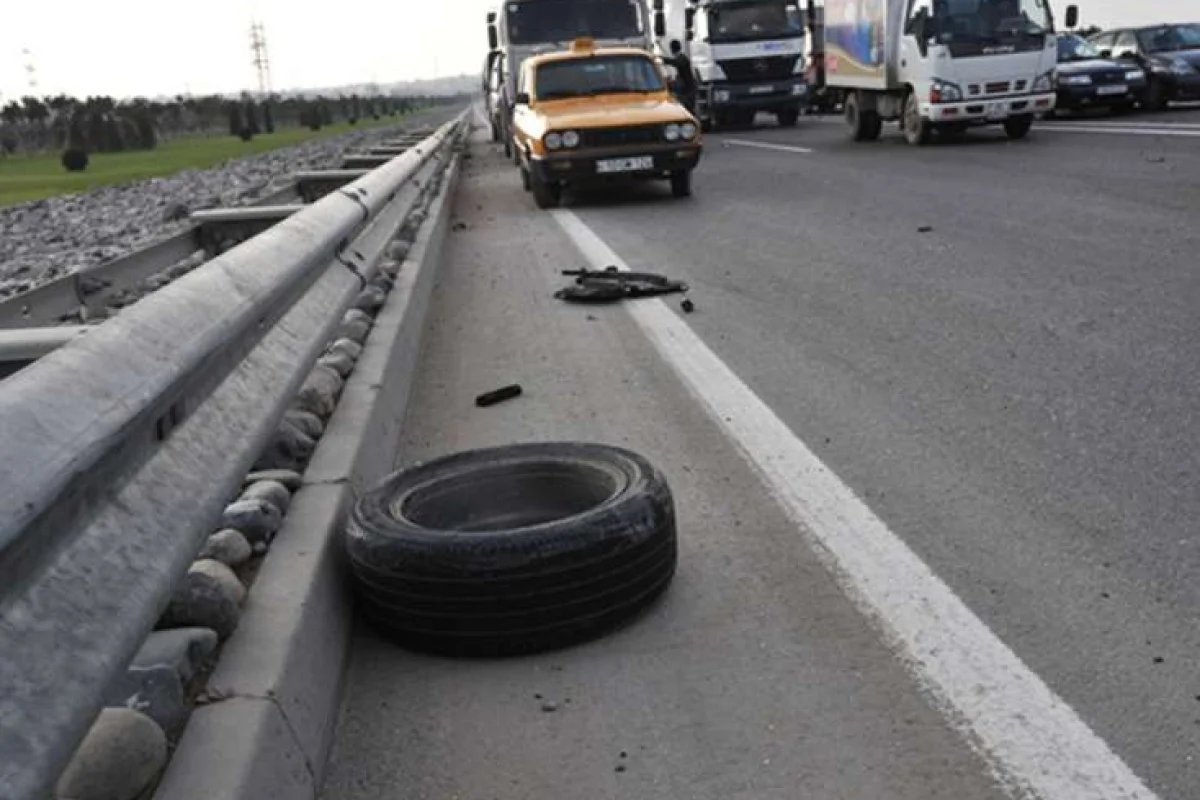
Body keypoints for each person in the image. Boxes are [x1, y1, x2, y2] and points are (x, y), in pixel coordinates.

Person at [664, 40, 698, 116]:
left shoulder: (682, 58)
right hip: (687, 88)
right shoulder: (682, 57)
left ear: (672, 49)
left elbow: (676, 62)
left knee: (688, 109)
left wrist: (663, 59)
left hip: (688, 89)